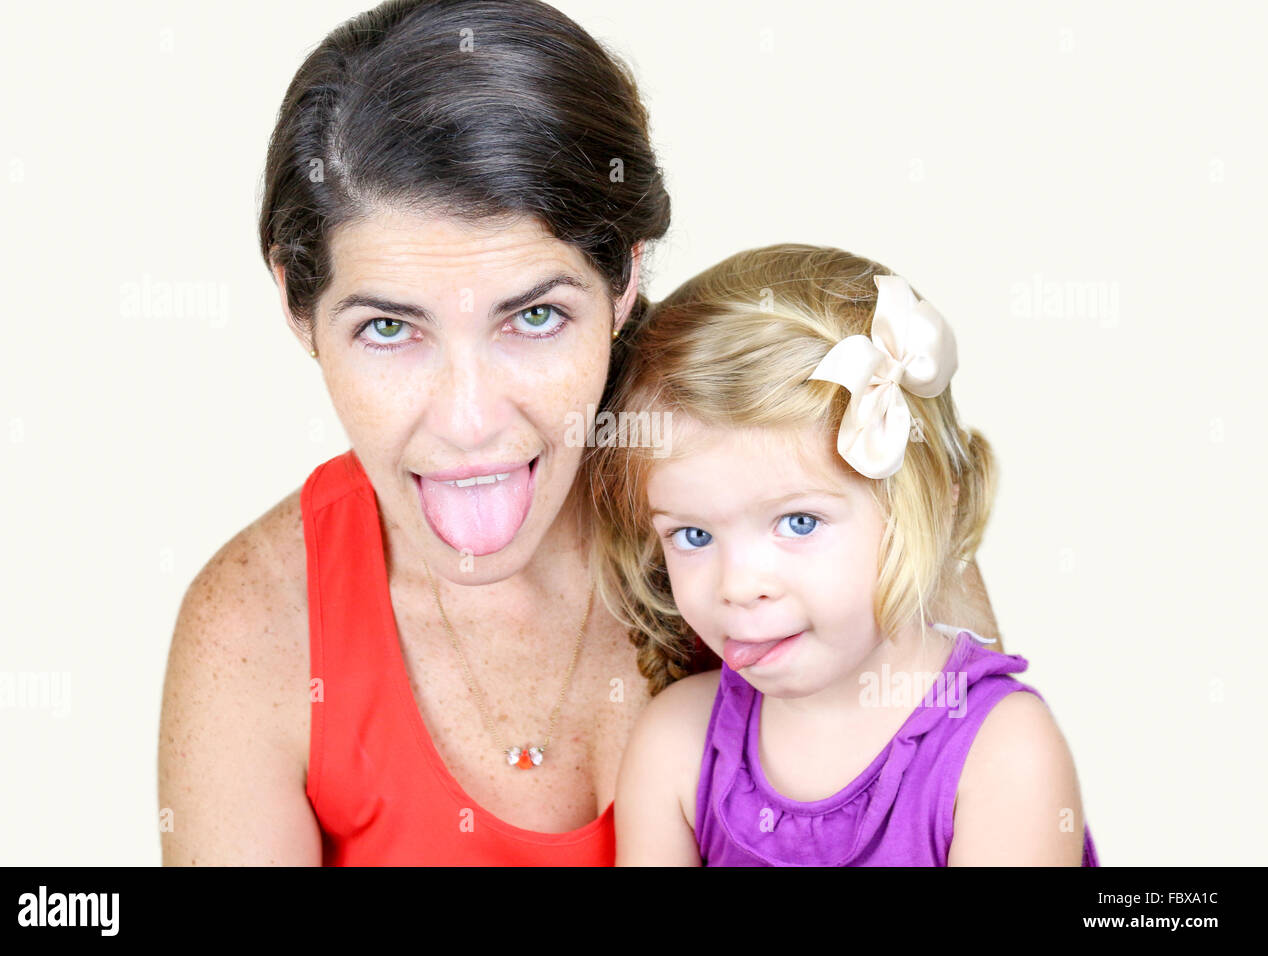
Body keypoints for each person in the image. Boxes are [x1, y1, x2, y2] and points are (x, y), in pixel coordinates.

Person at [157, 0, 999, 865]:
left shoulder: (849, 482)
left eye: (533, 317)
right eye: (388, 329)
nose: (469, 420)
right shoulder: (255, 632)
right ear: (300, 304)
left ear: (624, 276)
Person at [594, 244, 1098, 865]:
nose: (738, 585)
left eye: (798, 522)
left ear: (930, 505)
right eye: (693, 536)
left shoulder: (1002, 753)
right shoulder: (676, 745)